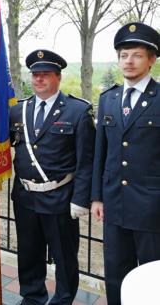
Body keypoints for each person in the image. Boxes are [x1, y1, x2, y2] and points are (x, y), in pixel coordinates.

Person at [10, 49, 95, 305]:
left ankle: (63, 298)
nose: (38, 79)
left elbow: (86, 161)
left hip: (60, 196)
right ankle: (33, 295)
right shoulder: (18, 111)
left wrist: (80, 200)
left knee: (64, 255)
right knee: (29, 251)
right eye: (35, 75)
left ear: (58, 77)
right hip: (25, 195)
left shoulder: (77, 111)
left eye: (45, 74)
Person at [91, 22, 160, 305]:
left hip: (151, 208)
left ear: (152, 60)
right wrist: (96, 196)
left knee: (150, 276)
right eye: (123, 55)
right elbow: (100, 153)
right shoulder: (108, 99)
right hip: (114, 204)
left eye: (136, 55)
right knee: (116, 272)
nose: (128, 61)